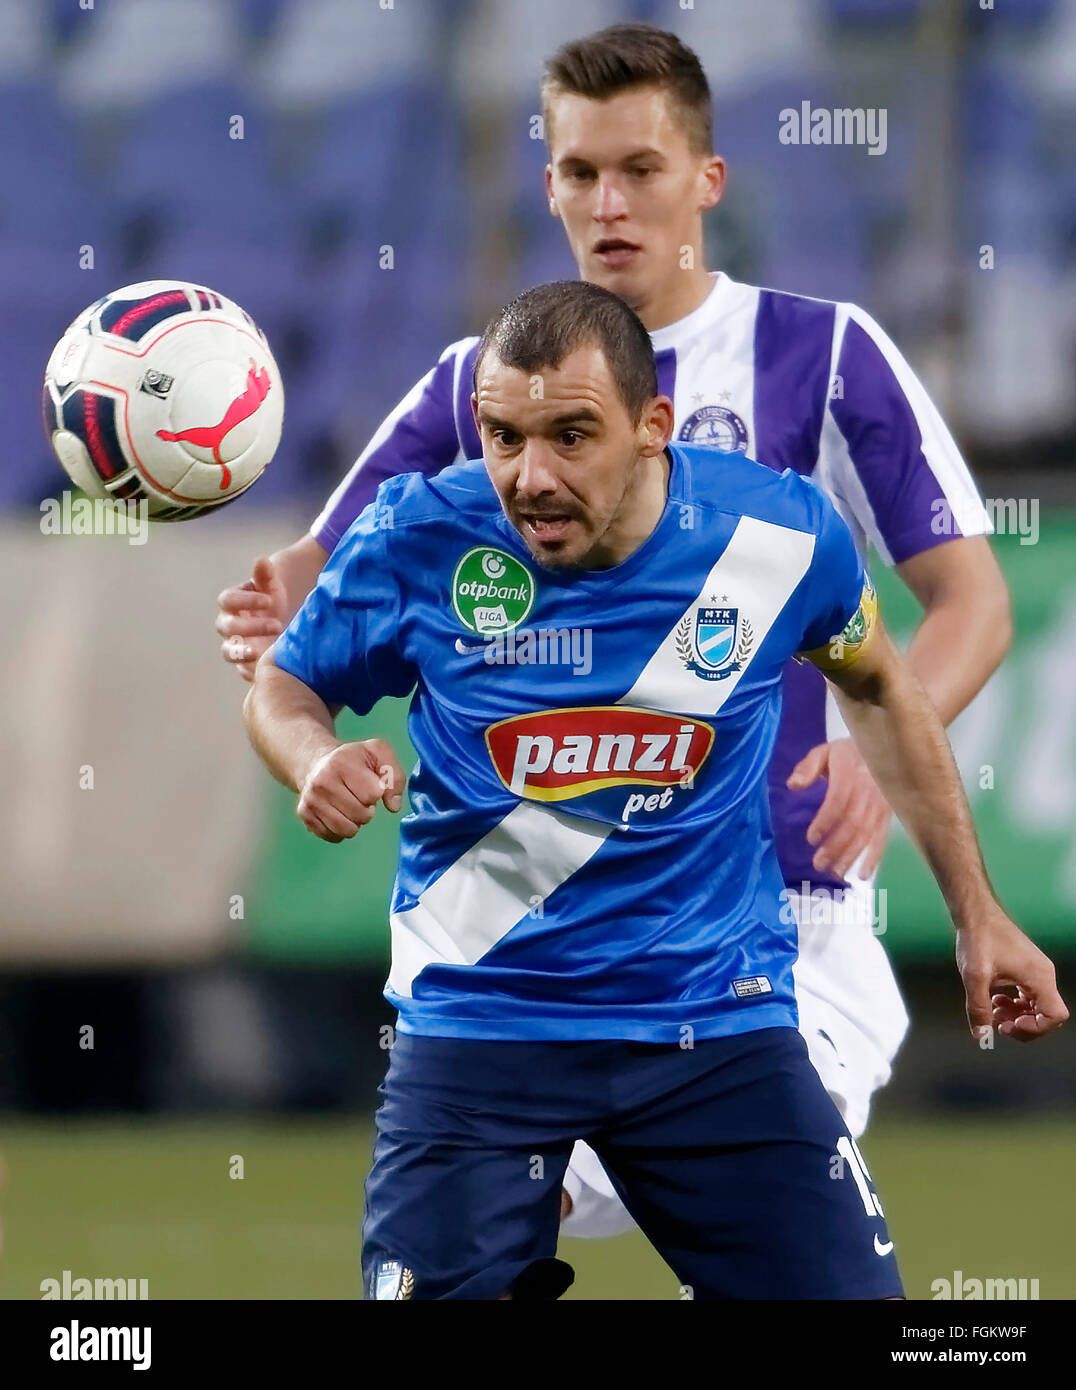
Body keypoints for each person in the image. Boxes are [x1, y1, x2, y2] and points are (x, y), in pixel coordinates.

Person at [219, 24, 1012, 1237]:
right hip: (526, 905)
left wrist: (874, 753)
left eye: (639, 169)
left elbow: (972, 602)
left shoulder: (823, 353)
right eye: (579, 172)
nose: (609, 203)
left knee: (704, 1215)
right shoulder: (476, 381)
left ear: (707, 180)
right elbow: (306, 584)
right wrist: (266, 625)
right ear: (546, 185)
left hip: (778, 910)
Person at [243, 282, 1064, 1300]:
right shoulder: (420, 535)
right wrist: (311, 756)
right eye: (501, 437)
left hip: (712, 1029)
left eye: (570, 435)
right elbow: (284, 681)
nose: (528, 476)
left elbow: (883, 691)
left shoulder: (777, 537)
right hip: (480, 1030)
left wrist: (975, 914)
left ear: (651, 427)